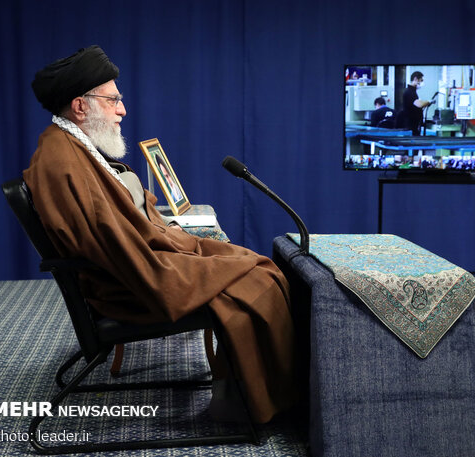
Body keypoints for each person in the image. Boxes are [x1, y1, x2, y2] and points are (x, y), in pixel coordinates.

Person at [24, 45, 295, 424]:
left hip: (134, 266)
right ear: (80, 107)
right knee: (261, 276)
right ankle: (252, 405)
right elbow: (116, 244)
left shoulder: (69, 144)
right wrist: (178, 252)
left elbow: (118, 222)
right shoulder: (61, 162)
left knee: (250, 263)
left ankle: (261, 392)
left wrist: (175, 239)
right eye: (113, 100)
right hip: (133, 285)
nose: (122, 110)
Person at [400, 71, 432, 135]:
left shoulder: (413, 92)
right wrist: (429, 101)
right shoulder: (409, 92)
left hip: (414, 124)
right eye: (421, 80)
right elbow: (419, 104)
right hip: (410, 125)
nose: (422, 82)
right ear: (415, 79)